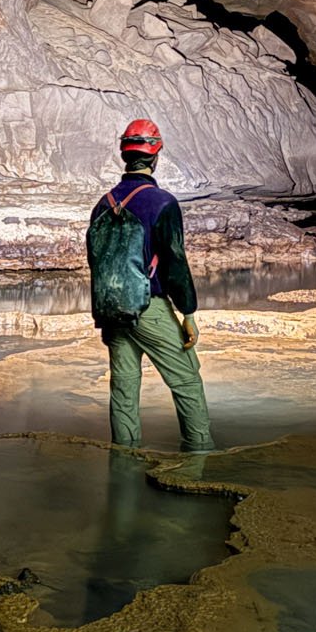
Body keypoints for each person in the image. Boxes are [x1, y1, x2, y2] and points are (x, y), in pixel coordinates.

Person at [87, 118, 213, 453]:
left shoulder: (103, 203)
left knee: (124, 389)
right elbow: (174, 261)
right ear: (156, 154)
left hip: (113, 310)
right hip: (148, 308)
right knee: (186, 381)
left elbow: (96, 260)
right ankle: (200, 459)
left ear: (123, 154)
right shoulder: (162, 202)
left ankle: (124, 469)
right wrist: (188, 312)